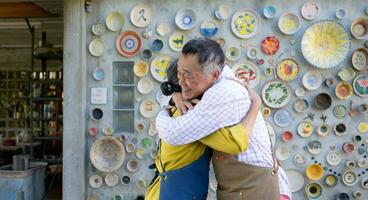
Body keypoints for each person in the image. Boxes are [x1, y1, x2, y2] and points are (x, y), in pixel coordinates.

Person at [156, 38, 291, 200]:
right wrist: (174, 98)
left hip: (257, 188)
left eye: (188, 75)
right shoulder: (209, 88)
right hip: (248, 186)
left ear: (213, 75)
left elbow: (173, 133)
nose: (182, 81)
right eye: (179, 74)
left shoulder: (222, 93)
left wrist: (162, 114)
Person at [145, 59, 262, 200]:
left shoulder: (176, 108)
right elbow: (236, 143)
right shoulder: (192, 115)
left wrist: (173, 97)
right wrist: (256, 104)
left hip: (158, 192)